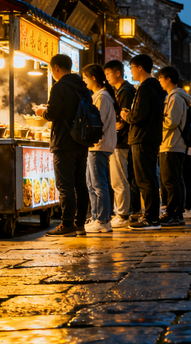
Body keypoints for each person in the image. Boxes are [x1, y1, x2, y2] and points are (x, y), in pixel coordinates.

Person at [34, 54, 89, 237]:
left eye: (51, 69)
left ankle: (67, 225)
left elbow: (53, 114)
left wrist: (43, 111)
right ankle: (79, 223)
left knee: (65, 185)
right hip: (81, 141)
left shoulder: (59, 87)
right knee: (80, 184)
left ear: (56, 68)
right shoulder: (83, 87)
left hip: (64, 142)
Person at [121, 54, 166, 230]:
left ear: (140, 68)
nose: (130, 71)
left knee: (145, 179)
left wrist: (126, 116)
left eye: (131, 68)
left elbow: (140, 115)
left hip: (142, 138)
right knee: (148, 178)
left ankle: (151, 218)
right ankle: (151, 216)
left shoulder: (146, 88)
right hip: (150, 137)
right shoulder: (155, 88)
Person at [80, 64, 118, 233]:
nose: (84, 81)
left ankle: (102, 220)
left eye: (85, 77)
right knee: (92, 183)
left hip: (99, 145)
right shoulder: (101, 95)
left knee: (98, 184)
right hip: (97, 146)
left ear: (93, 78)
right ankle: (97, 218)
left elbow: (96, 122)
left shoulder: (101, 96)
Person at [103, 60, 137, 228]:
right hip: (119, 141)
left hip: (121, 142)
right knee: (118, 178)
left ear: (117, 73)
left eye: (108, 74)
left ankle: (122, 214)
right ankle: (122, 212)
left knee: (119, 178)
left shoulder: (125, 92)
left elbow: (123, 120)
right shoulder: (122, 91)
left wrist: (116, 129)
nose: (106, 77)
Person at [157, 66, 191, 226]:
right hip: (172, 143)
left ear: (168, 79)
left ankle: (174, 213)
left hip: (171, 143)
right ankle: (175, 213)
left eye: (160, 78)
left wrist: (157, 120)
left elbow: (171, 121)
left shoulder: (176, 98)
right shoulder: (174, 97)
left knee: (171, 181)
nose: (159, 81)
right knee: (175, 180)